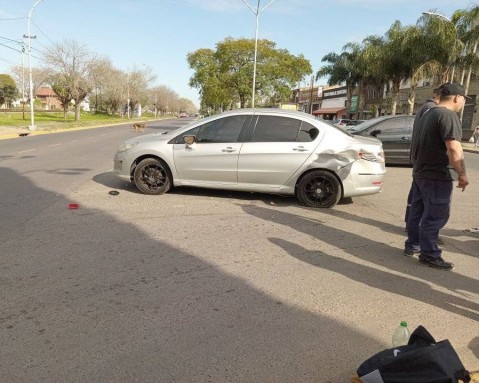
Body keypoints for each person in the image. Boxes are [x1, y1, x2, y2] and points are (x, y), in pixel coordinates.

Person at [404, 83, 469, 270]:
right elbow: (454, 148)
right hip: (436, 175)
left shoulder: (427, 114)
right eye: (464, 99)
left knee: (417, 212)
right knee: (435, 216)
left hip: (421, 173)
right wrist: (462, 174)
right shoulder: (448, 115)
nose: (463, 102)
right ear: (457, 97)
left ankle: (413, 245)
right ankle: (429, 254)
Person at [404, 86, 444, 228]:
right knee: (422, 200)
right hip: (424, 161)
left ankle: (412, 225)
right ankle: (417, 229)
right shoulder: (431, 109)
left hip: (419, 158)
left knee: (416, 197)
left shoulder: (426, 107)